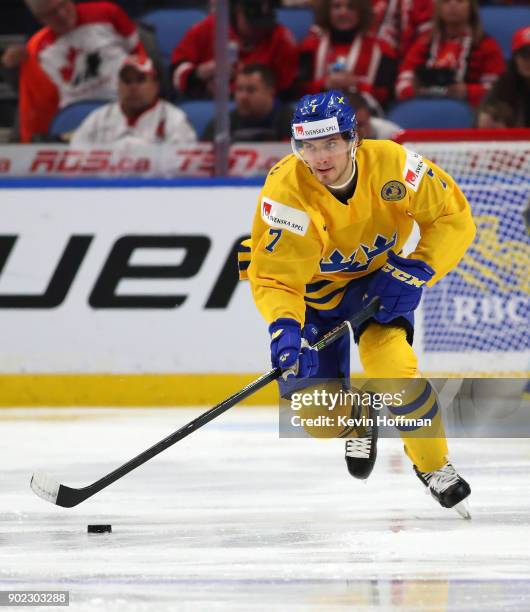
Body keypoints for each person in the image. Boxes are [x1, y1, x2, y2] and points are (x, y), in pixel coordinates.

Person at [238, 90, 476, 516]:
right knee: (320, 421)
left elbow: (452, 217)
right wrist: (284, 329)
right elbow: (275, 276)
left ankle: (434, 467)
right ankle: (356, 416)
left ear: (353, 139)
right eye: (308, 147)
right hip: (314, 298)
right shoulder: (286, 192)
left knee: (395, 369)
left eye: (329, 144)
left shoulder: (396, 165)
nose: (320, 157)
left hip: (377, 285)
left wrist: (419, 269)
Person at [18, 0, 143, 143]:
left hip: (126, 106)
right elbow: (38, 103)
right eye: (52, 13)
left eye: (63, 5)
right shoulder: (37, 49)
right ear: (40, 19)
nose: (62, 14)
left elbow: (141, 58)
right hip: (76, 118)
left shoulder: (106, 13)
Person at [171, 0, 298, 100]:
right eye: (252, 22)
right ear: (235, 10)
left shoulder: (281, 37)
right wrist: (202, 74)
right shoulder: (208, 28)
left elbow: (289, 89)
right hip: (212, 107)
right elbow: (176, 75)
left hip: (262, 113)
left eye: (265, 22)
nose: (259, 30)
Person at [395, 0, 505, 107]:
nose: (453, 5)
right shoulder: (423, 43)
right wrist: (417, 91)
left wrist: (467, 91)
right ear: (438, 8)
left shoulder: (487, 46)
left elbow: (497, 90)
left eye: (460, 1)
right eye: (446, 1)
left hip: (470, 114)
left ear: (471, 7)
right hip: (424, 108)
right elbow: (402, 83)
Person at [71, 55, 197, 145]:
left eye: (140, 80)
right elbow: (73, 161)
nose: (133, 87)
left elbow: (185, 172)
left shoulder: (175, 120)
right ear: (118, 85)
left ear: (156, 85)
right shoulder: (98, 119)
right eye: (127, 81)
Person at [297, 0, 397, 109]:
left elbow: (385, 95)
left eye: (351, 7)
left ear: (361, 12)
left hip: (365, 117)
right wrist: (325, 84)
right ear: (327, 11)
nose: (343, 12)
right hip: (317, 116)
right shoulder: (310, 47)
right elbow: (298, 89)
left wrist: (355, 84)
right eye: (336, 6)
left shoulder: (381, 50)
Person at [202, 63, 292, 142]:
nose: (243, 97)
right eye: (239, 89)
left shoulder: (294, 123)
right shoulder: (221, 125)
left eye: (251, 90)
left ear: (270, 92)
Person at [483, 26, 530, 128]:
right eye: (524, 55)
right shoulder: (503, 86)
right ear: (515, 59)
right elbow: (482, 115)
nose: (528, 62)